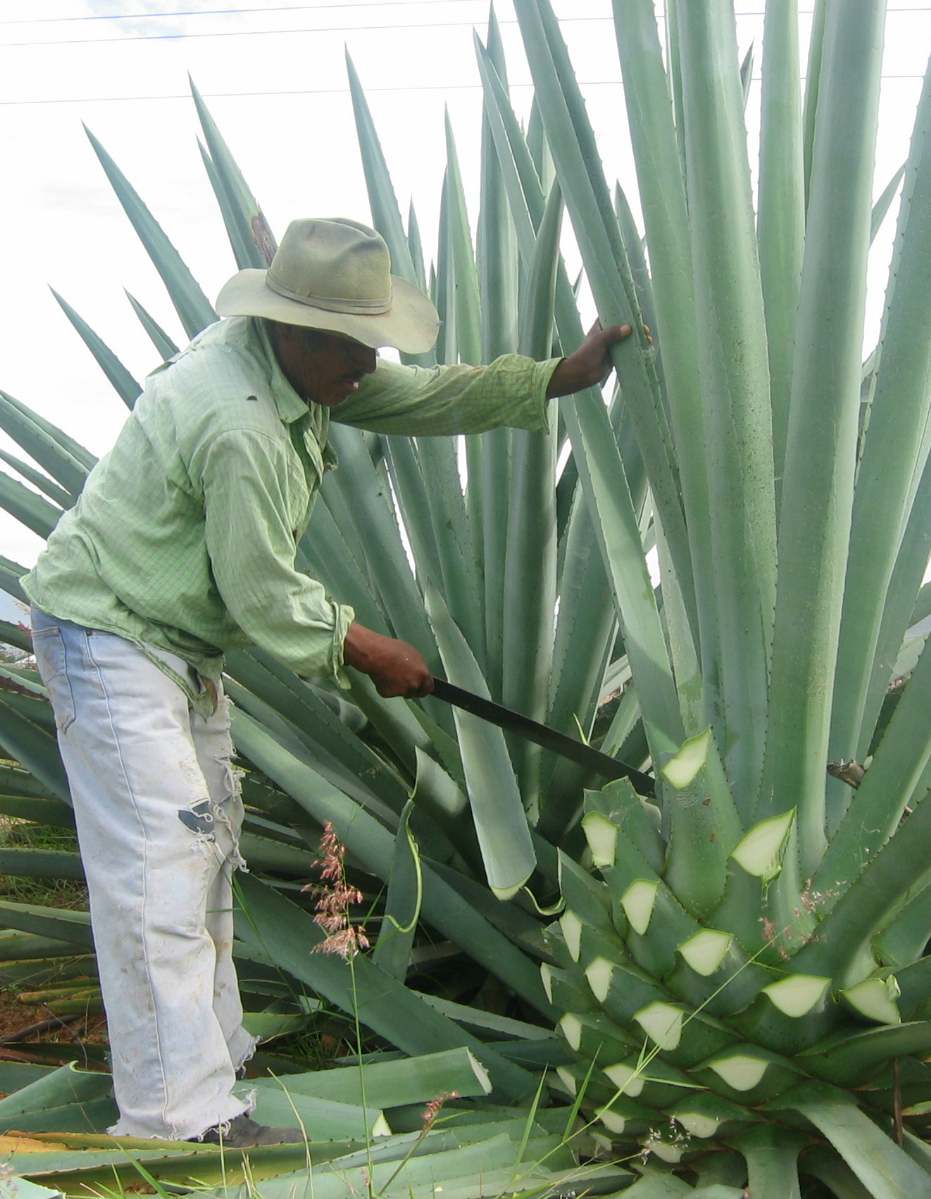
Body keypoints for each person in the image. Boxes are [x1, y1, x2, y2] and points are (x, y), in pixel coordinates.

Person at [23, 217, 630, 1146]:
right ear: (297, 334)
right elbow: (264, 596)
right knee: (159, 867)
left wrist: (549, 379)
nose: (368, 370)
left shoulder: (294, 361)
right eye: (356, 351)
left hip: (175, 641)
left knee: (206, 839)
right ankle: (174, 1120)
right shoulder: (242, 428)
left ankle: (212, 1067)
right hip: (109, 637)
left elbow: (410, 396)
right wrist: (369, 647)